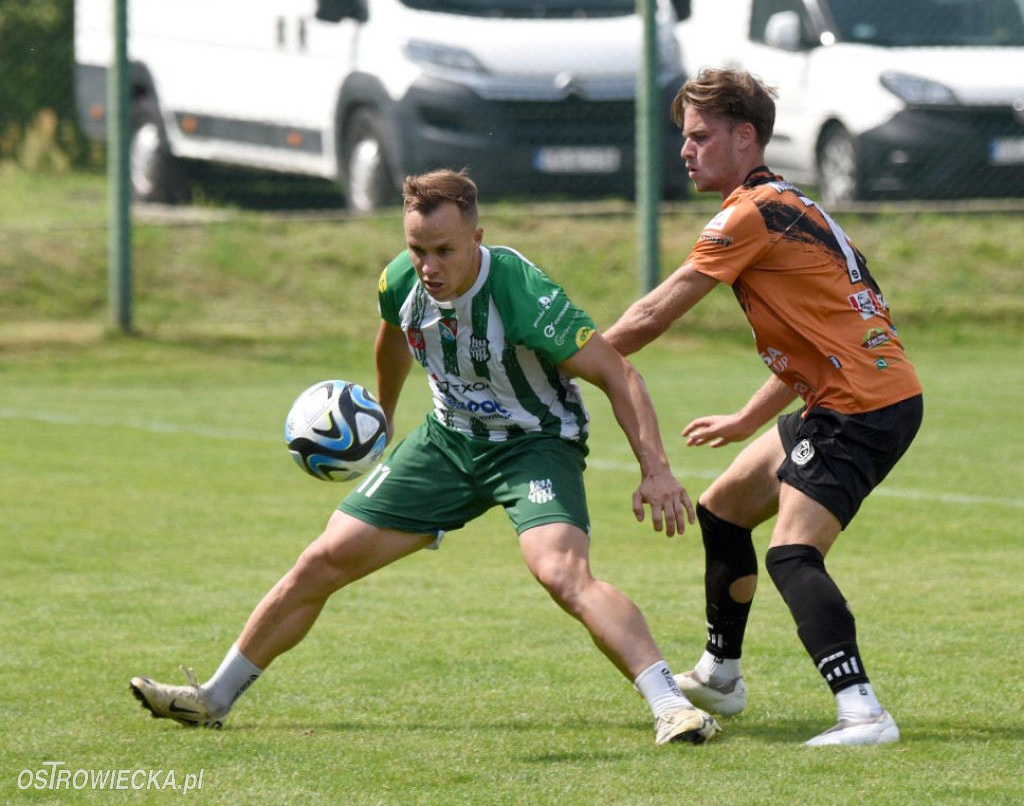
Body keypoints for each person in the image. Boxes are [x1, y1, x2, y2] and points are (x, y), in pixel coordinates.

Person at [129, 168, 719, 746]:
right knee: (323, 559)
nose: (429, 266)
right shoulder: (400, 280)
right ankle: (212, 698)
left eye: (443, 250)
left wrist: (657, 470)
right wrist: (384, 418)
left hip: (533, 445)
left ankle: (672, 708)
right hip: (446, 440)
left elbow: (619, 373)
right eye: (417, 250)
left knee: (561, 573)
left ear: (476, 240)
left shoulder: (522, 293)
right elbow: (392, 336)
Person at [603, 68, 924, 746]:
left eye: (699, 137)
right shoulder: (783, 205)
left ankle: (864, 712)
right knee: (723, 509)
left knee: (792, 555)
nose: (685, 150)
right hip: (855, 394)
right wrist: (748, 421)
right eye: (683, 138)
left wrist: (573, 356)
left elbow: (659, 308)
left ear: (744, 136)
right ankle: (721, 675)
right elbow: (820, 339)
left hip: (858, 408)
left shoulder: (749, 214)